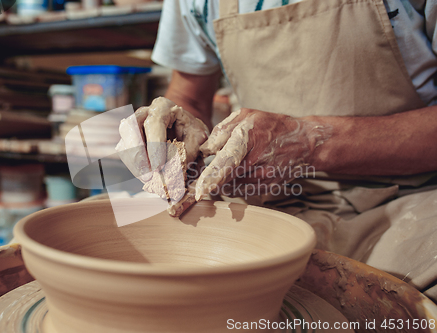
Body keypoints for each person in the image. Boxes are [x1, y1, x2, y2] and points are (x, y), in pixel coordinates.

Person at [126, 0, 437, 301]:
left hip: (404, 201)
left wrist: (310, 141)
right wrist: (178, 135)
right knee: (129, 240)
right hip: (259, 196)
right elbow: (190, 95)